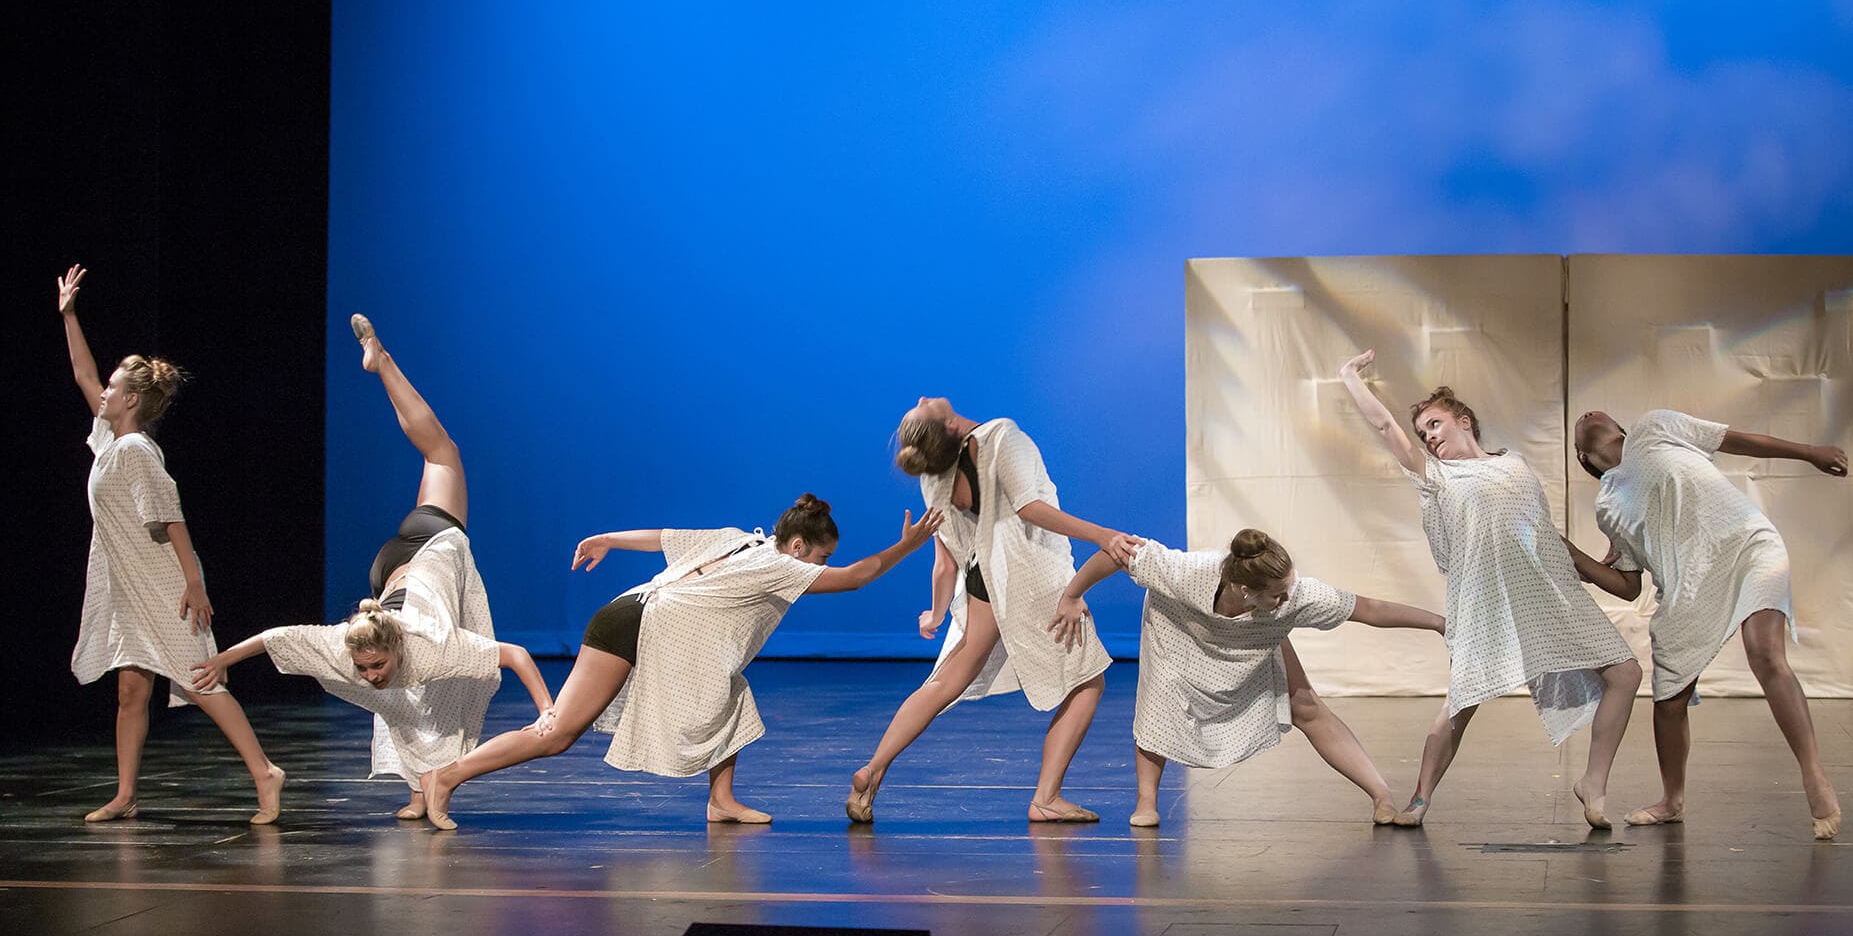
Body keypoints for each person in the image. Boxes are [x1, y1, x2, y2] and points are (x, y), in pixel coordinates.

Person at [191, 315, 551, 818]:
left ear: (394, 646)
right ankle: (419, 789)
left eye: (374, 665)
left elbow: (514, 655)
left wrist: (547, 711)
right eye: (364, 667)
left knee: (442, 453)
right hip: (400, 567)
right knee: (397, 701)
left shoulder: (430, 646)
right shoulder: (351, 647)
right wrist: (224, 660)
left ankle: (382, 361)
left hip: (429, 549)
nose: (368, 674)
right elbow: (277, 637)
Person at [418, 497, 944, 830]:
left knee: (729, 691)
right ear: (800, 545)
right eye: (821, 557)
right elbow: (855, 578)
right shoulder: (780, 565)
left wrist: (608, 538)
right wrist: (908, 546)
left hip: (630, 612)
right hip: (637, 627)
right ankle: (447, 776)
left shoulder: (742, 539)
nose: (822, 569)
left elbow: (663, 538)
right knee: (557, 734)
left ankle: (722, 801)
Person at [1337, 350, 1640, 828]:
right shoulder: (1435, 476)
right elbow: (1383, 429)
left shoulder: (1514, 462)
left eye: (1435, 425)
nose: (1429, 437)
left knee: (1625, 673)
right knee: (1459, 705)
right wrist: (1349, 377)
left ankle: (1593, 784)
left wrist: (1596, 559)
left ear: (1464, 422)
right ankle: (1418, 799)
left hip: (1544, 593)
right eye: (1423, 433)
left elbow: (1538, 531)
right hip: (1483, 602)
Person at [57, 264, 285, 823]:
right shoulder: (113, 440)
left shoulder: (136, 452)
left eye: (114, 388)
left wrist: (194, 581)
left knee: (202, 681)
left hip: (163, 588)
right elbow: (85, 376)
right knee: (131, 693)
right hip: (128, 588)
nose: (103, 392)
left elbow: (171, 515)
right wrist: (68, 315)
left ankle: (265, 772)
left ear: (132, 399)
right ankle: (126, 794)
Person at [845, 398, 1141, 824]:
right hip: (1031, 574)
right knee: (1087, 681)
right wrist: (1104, 535)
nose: (922, 398)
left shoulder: (932, 476)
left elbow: (945, 562)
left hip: (983, 577)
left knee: (947, 678)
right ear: (947, 424)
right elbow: (1030, 508)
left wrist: (936, 612)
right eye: (922, 407)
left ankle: (873, 770)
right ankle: (1046, 797)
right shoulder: (1001, 434)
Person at [1569, 407, 1847, 839]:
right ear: (1582, 457)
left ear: (1621, 427)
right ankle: (1672, 800)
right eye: (1580, 427)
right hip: (1686, 588)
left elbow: (1735, 439)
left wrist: (1809, 452)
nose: (1588, 412)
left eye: (1599, 413)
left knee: (1766, 653)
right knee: (1669, 700)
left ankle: (1814, 775)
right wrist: (1573, 555)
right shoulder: (1608, 505)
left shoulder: (1653, 426)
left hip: (1744, 546)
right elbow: (1626, 585)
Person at [1051, 528, 1446, 826]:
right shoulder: (1188, 571)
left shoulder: (1293, 597)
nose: (1288, 598)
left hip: (1254, 639)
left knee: (1305, 705)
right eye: (1278, 594)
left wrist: (1438, 623)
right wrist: (1071, 596)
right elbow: (1118, 552)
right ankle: (1146, 802)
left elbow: (1370, 609)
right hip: (1179, 630)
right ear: (1244, 588)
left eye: (1288, 588)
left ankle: (1380, 796)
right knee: (1162, 702)